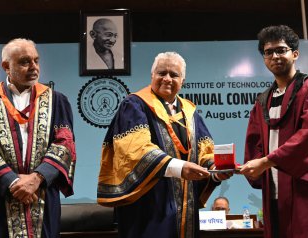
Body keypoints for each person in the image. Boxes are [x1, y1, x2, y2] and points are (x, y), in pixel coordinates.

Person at [97, 52, 232, 238]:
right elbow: (134, 150)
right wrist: (179, 167)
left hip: (186, 210)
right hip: (147, 208)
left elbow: (204, 151)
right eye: (162, 73)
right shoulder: (134, 105)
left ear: (182, 81)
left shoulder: (191, 113)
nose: (167, 78)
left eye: (174, 75)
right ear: (152, 76)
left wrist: (216, 171)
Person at [239, 25, 308, 238]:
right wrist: (252, 165)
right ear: (264, 59)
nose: (275, 56)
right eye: (269, 52)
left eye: (281, 50)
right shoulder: (263, 100)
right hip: (276, 193)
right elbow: (255, 144)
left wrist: (266, 161)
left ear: (295, 54)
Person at [0, 38, 77, 237]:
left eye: (36, 60)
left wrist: (37, 178)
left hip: (40, 194)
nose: (34, 67)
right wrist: (12, 182)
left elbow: (65, 144)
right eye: (25, 61)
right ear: (6, 66)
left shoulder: (56, 100)